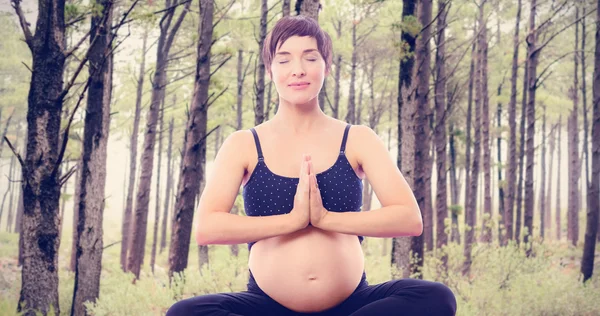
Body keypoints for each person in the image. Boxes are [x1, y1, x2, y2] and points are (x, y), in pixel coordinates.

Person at [166, 15, 457, 316]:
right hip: (267, 307)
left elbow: (409, 219)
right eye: (284, 60)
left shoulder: (357, 138)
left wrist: (324, 217)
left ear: (326, 67)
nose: (298, 70)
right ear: (270, 70)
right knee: (184, 313)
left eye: (310, 57)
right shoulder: (244, 144)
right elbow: (207, 227)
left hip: (352, 306)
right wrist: (292, 221)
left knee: (436, 297)